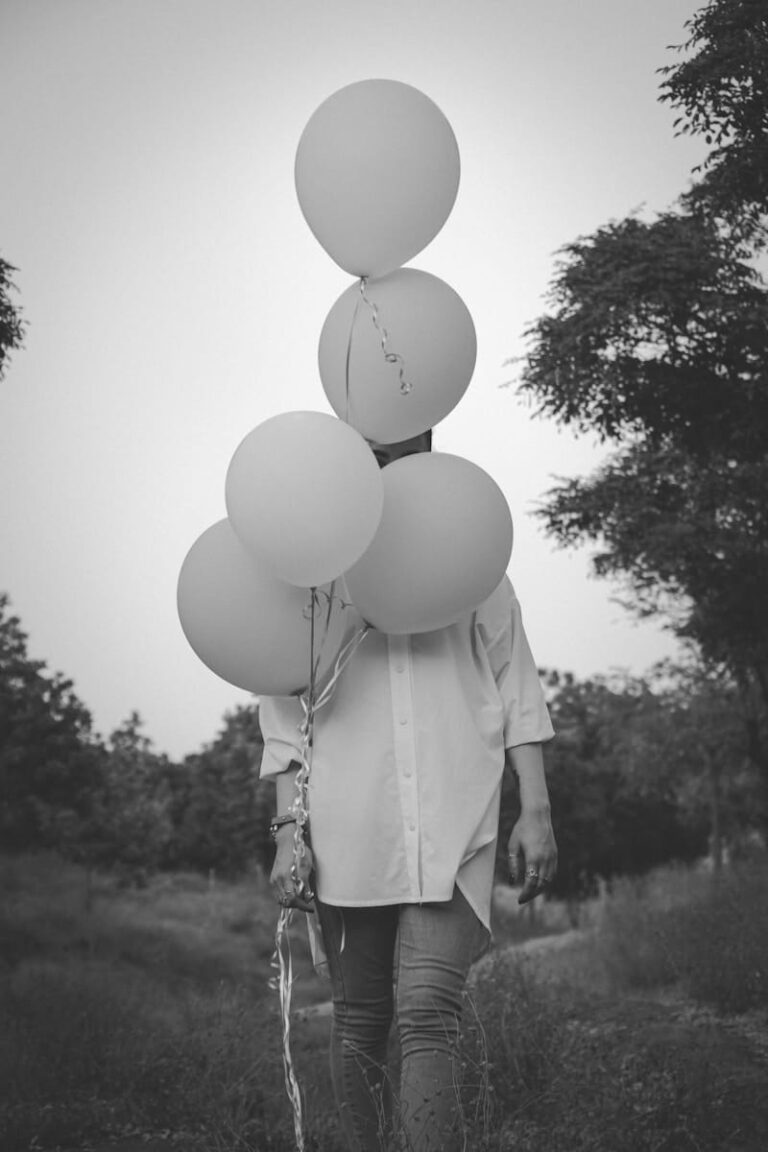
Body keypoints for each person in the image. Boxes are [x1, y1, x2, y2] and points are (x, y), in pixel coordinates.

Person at [259, 428, 557, 1152]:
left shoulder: (473, 552)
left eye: (407, 442)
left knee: (428, 1010)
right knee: (360, 1017)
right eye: (376, 446)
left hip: (458, 813)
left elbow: (516, 684)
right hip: (345, 823)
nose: (391, 457)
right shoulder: (313, 574)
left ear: (429, 441)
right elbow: (282, 708)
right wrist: (286, 833)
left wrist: (537, 810)